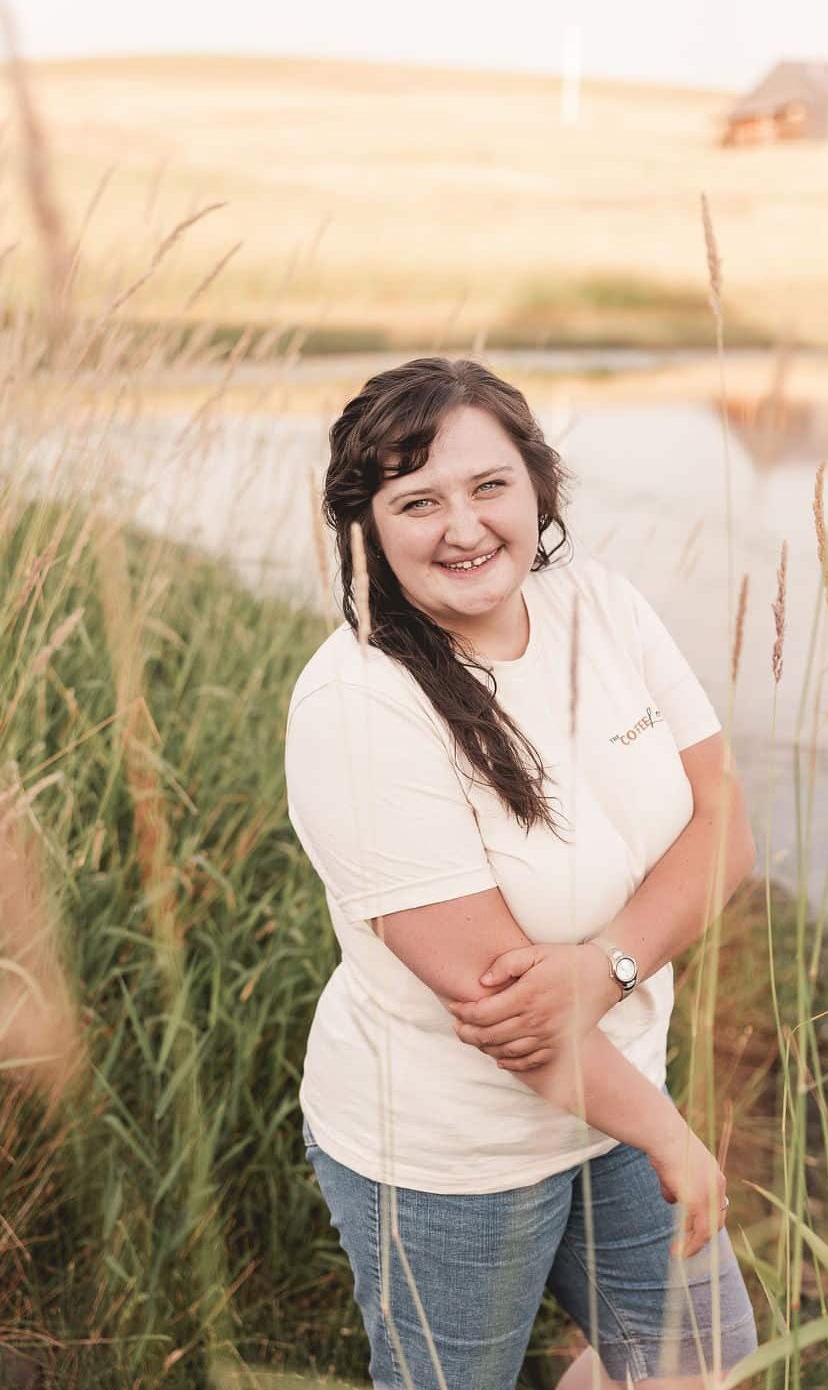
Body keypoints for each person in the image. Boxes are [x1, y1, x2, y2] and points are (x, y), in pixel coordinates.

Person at [285, 356, 759, 1389]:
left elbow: (722, 822)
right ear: (367, 526)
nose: (463, 527)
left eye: (488, 486)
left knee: (698, 1364)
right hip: (453, 1158)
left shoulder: (601, 605)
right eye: (418, 501)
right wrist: (672, 1136)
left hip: (623, 1087)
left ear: (537, 484)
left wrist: (607, 968)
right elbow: (507, 1009)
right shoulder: (358, 707)